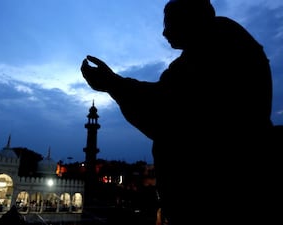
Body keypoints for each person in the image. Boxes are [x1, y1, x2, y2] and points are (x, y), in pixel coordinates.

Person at [80, 0, 279, 224]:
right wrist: (114, 83)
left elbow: (167, 110)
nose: (164, 32)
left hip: (212, 196)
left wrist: (113, 84)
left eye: (169, 24)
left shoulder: (215, 51)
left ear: (189, 20)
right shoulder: (222, 46)